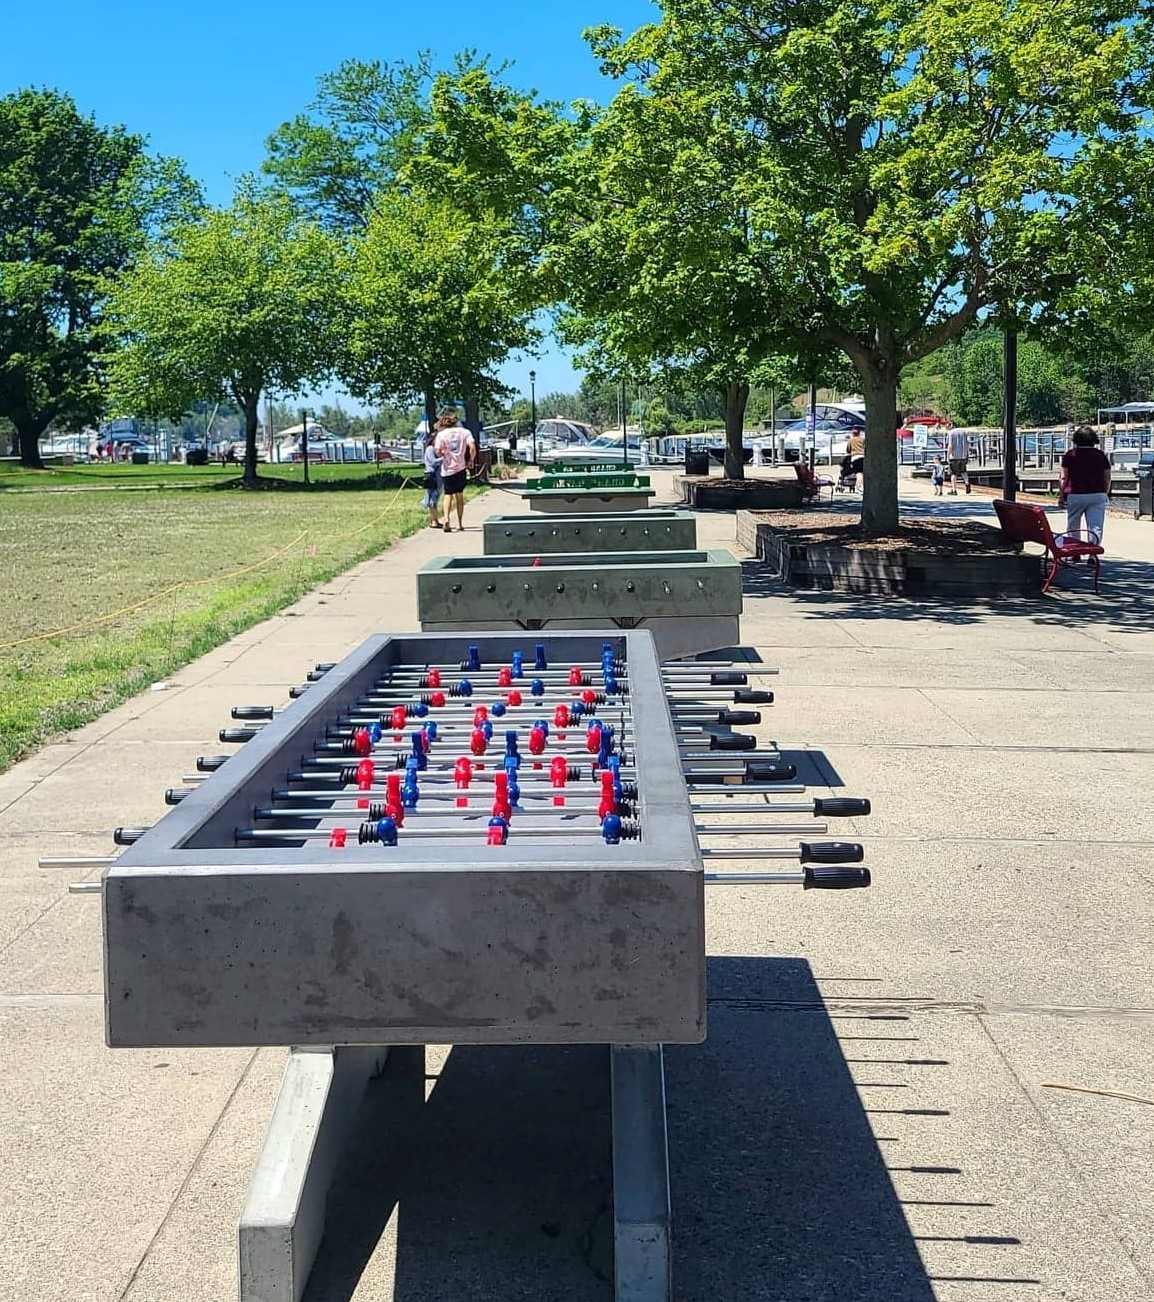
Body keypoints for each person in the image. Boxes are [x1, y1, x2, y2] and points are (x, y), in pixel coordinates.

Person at [1060, 426, 1111, 546]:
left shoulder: (1070, 455)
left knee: (1073, 524)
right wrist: (1105, 492)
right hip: (1097, 494)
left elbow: (1064, 478)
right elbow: (1107, 477)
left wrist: (1062, 495)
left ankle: (1074, 550)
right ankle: (1092, 552)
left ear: (1076, 439)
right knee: (1095, 525)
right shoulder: (1100, 455)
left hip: (1075, 494)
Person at [432, 410, 475, 533]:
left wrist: (444, 454)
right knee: (459, 496)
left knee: (448, 494)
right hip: (460, 468)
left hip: (447, 469)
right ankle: (460, 523)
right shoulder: (465, 432)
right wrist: (470, 460)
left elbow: (438, 450)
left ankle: (446, 519)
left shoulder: (441, 434)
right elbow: (472, 447)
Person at [420, 430, 443, 528]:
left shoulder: (437, 449)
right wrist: (444, 458)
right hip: (432, 476)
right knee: (432, 498)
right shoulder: (430, 449)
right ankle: (434, 521)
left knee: (435, 498)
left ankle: (435, 519)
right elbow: (433, 462)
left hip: (437, 477)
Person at [945, 427, 970, 494]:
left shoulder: (951, 433)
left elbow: (950, 446)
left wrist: (948, 456)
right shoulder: (964, 432)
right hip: (963, 455)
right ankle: (967, 483)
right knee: (963, 471)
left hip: (954, 456)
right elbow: (967, 444)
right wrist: (967, 454)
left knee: (953, 473)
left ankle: (954, 490)